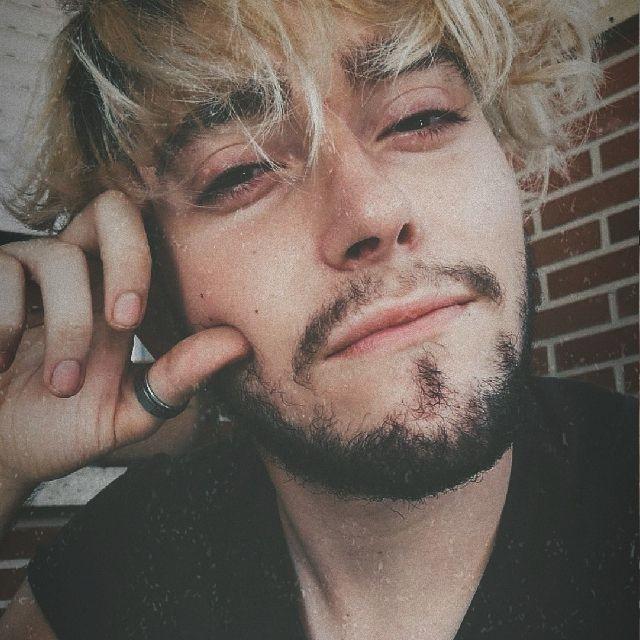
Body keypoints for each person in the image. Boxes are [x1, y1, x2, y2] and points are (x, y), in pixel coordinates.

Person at [0, 0, 636, 638]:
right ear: (152, 290)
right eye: (241, 171)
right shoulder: (110, 578)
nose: (373, 212)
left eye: (422, 115)